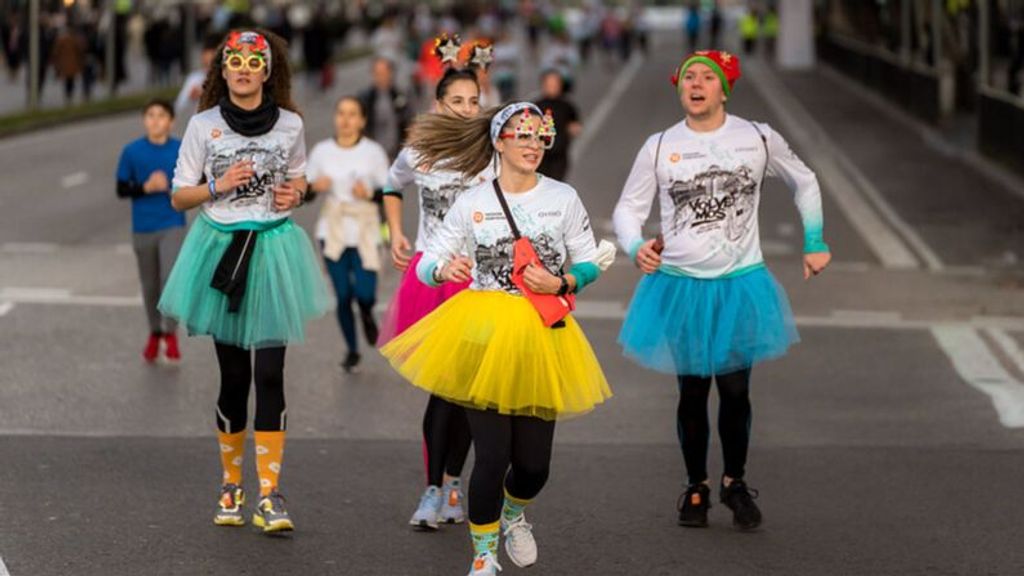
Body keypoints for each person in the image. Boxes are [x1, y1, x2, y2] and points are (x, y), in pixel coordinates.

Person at [380, 102, 613, 576]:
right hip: (482, 331)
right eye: (521, 135)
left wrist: (565, 283)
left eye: (539, 136)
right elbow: (427, 261)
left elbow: (591, 260)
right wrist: (442, 268)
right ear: (499, 143)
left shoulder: (563, 197)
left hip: (540, 335)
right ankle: (483, 558)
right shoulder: (473, 202)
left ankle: (513, 513)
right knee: (491, 454)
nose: (532, 145)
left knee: (534, 466)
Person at [612, 50, 831, 531]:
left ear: (723, 88)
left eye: (706, 77)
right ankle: (696, 488)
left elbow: (806, 181)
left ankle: (734, 483)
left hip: (739, 283)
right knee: (692, 391)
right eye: (688, 76)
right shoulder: (659, 146)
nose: (696, 83)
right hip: (680, 286)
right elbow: (628, 209)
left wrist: (815, 241)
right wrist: (635, 246)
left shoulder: (756, 137)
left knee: (735, 391)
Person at [158, 29, 329, 535]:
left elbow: (299, 179)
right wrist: (218, 185)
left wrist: (294, 195)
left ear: (267, 70)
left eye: (254, 63)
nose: (244, 70)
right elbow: (178, 197)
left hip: (273, 250)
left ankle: (270, 495)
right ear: (223, 68)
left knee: (271, 376)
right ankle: (231, 484)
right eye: (235, 61)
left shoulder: (291, 124)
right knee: (234, 379)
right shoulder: (203, 126)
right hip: (221, 252)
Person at [378, 65, 492, 530]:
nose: (466, 109)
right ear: (439, 103)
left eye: (473, 101)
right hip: (431, 277)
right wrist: (397, 234)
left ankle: (451, 485)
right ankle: (434, 488)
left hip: (478, 279)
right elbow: (390, 184)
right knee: (443, 386)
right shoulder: (419, 149)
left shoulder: (491, 150)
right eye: (457, 101)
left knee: (465, 390)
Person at [307, 96, 390, 373]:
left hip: (365, 228)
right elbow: (303, 192)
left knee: (364, 293)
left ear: (362, 120)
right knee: (342, 295)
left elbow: (389, 192)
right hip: (333, 228)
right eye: (341, 113)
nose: (346, 120)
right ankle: (352, 349)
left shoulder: (373, 152)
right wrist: (313, 188)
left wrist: (369, 193)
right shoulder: (321, 151)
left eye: (353, 114)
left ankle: (366, 311)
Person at [115, 98, 186, 363]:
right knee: (150, 284)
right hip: (143, 226)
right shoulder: (132, 151)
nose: (155, 120)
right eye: (150, 115)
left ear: (171, 121)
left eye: (161, 115)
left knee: (170, 279)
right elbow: (121, 189)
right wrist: (145, 187)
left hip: (172, 223)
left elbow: (196, 183)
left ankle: (171, 333)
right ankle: (154, 332)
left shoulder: (181, 149)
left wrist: (171, 187)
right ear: (144, 120)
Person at [357, 56, 414, 159]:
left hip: (397, 152)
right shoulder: (364, 98)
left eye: (384, 73)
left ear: (391, 73)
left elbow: (410, 122)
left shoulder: (401, 96)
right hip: (372, 153)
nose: (381, 77)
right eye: (377, 73)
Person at [534, 69, 581, 181]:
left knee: (556, 184)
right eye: (549, 84)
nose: (552, 87)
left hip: (560, 155)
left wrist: (574, 129)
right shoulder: (536, 106)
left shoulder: (568, 106)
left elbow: (575, 124)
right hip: (541, 155)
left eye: (555, 84)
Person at [174, 33, 222, 121]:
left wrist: (208, 94)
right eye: (206, 64)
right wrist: (190, 97)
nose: (208, 69)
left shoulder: (226, 79)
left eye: (212, 64)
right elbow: (179, 106)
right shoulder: (194, 79)